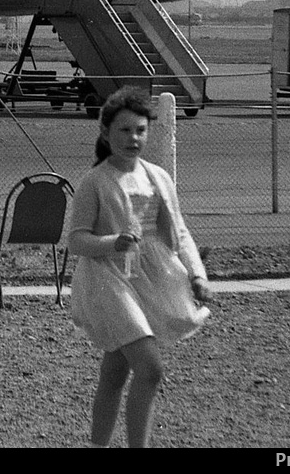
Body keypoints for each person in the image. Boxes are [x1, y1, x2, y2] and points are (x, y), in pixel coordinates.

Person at [68, 87, 211, 448]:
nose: (133, 138)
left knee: (114, 372)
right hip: (107, 280)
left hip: (148, 278)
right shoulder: (95, 181)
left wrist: (197, 274)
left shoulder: (158, 176)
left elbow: (179, 230)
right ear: (105, 133)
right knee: (150, 368)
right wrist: (111, 242)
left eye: (140, 130)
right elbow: (76, 240)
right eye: (124, 130)